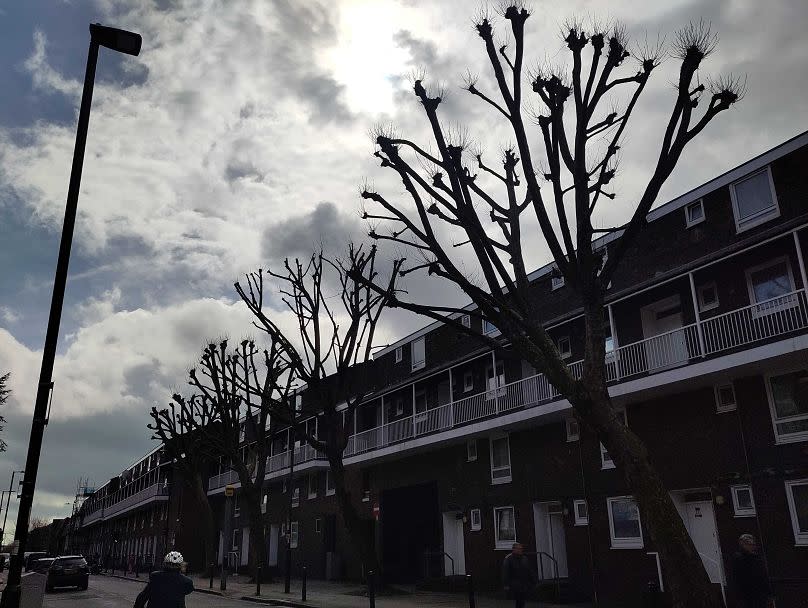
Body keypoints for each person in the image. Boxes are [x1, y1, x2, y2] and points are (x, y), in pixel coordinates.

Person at [731, 534, 774, 608]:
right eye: (750, 544)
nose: (753, 546)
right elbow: (736, 578)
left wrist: (769, 593)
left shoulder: (757, 558)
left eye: (753, 544)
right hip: (746, 595)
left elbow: (763, 576)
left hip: (759, 594)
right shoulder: (738, 559)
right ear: (743, 545)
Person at [502, 542, 537, 608]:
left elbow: (529, 570)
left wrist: (533, 580)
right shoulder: (509, 559)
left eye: (521, 549)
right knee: (518, 600)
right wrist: (506, 584)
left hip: (524, 583)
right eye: (518, 549)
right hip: (514, 584)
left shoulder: (524, 558)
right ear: (514, 549)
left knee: (522, 601)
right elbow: (505, 572)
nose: (520, 550)